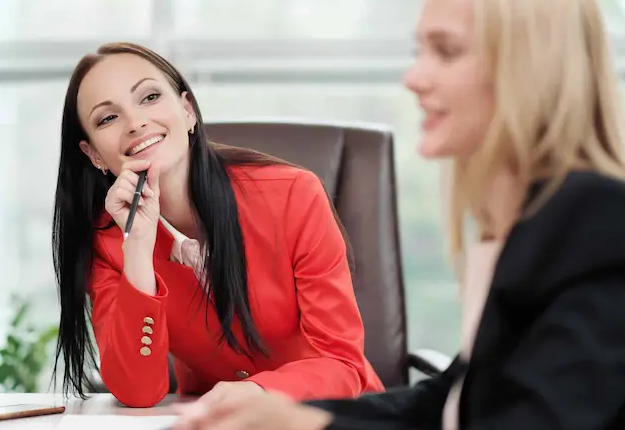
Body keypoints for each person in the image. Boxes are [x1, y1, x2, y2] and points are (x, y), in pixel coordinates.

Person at [152, 0, 625, 430]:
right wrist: (291, 424)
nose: (414, 77)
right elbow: (448, 401)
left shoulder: (600, 224)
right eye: (419, 50)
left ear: (530, 69)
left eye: (446, 52)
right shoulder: (533, 224)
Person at [51, 42, 384, 408]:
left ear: (187, 110)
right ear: (94, 153)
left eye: (149, 97)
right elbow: (136, 391)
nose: (135, 123)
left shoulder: (294, 195)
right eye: (108, 118)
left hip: (330, 421)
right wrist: (138, 249)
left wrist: (255, 393)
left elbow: (342, 364)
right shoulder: (108, 240)